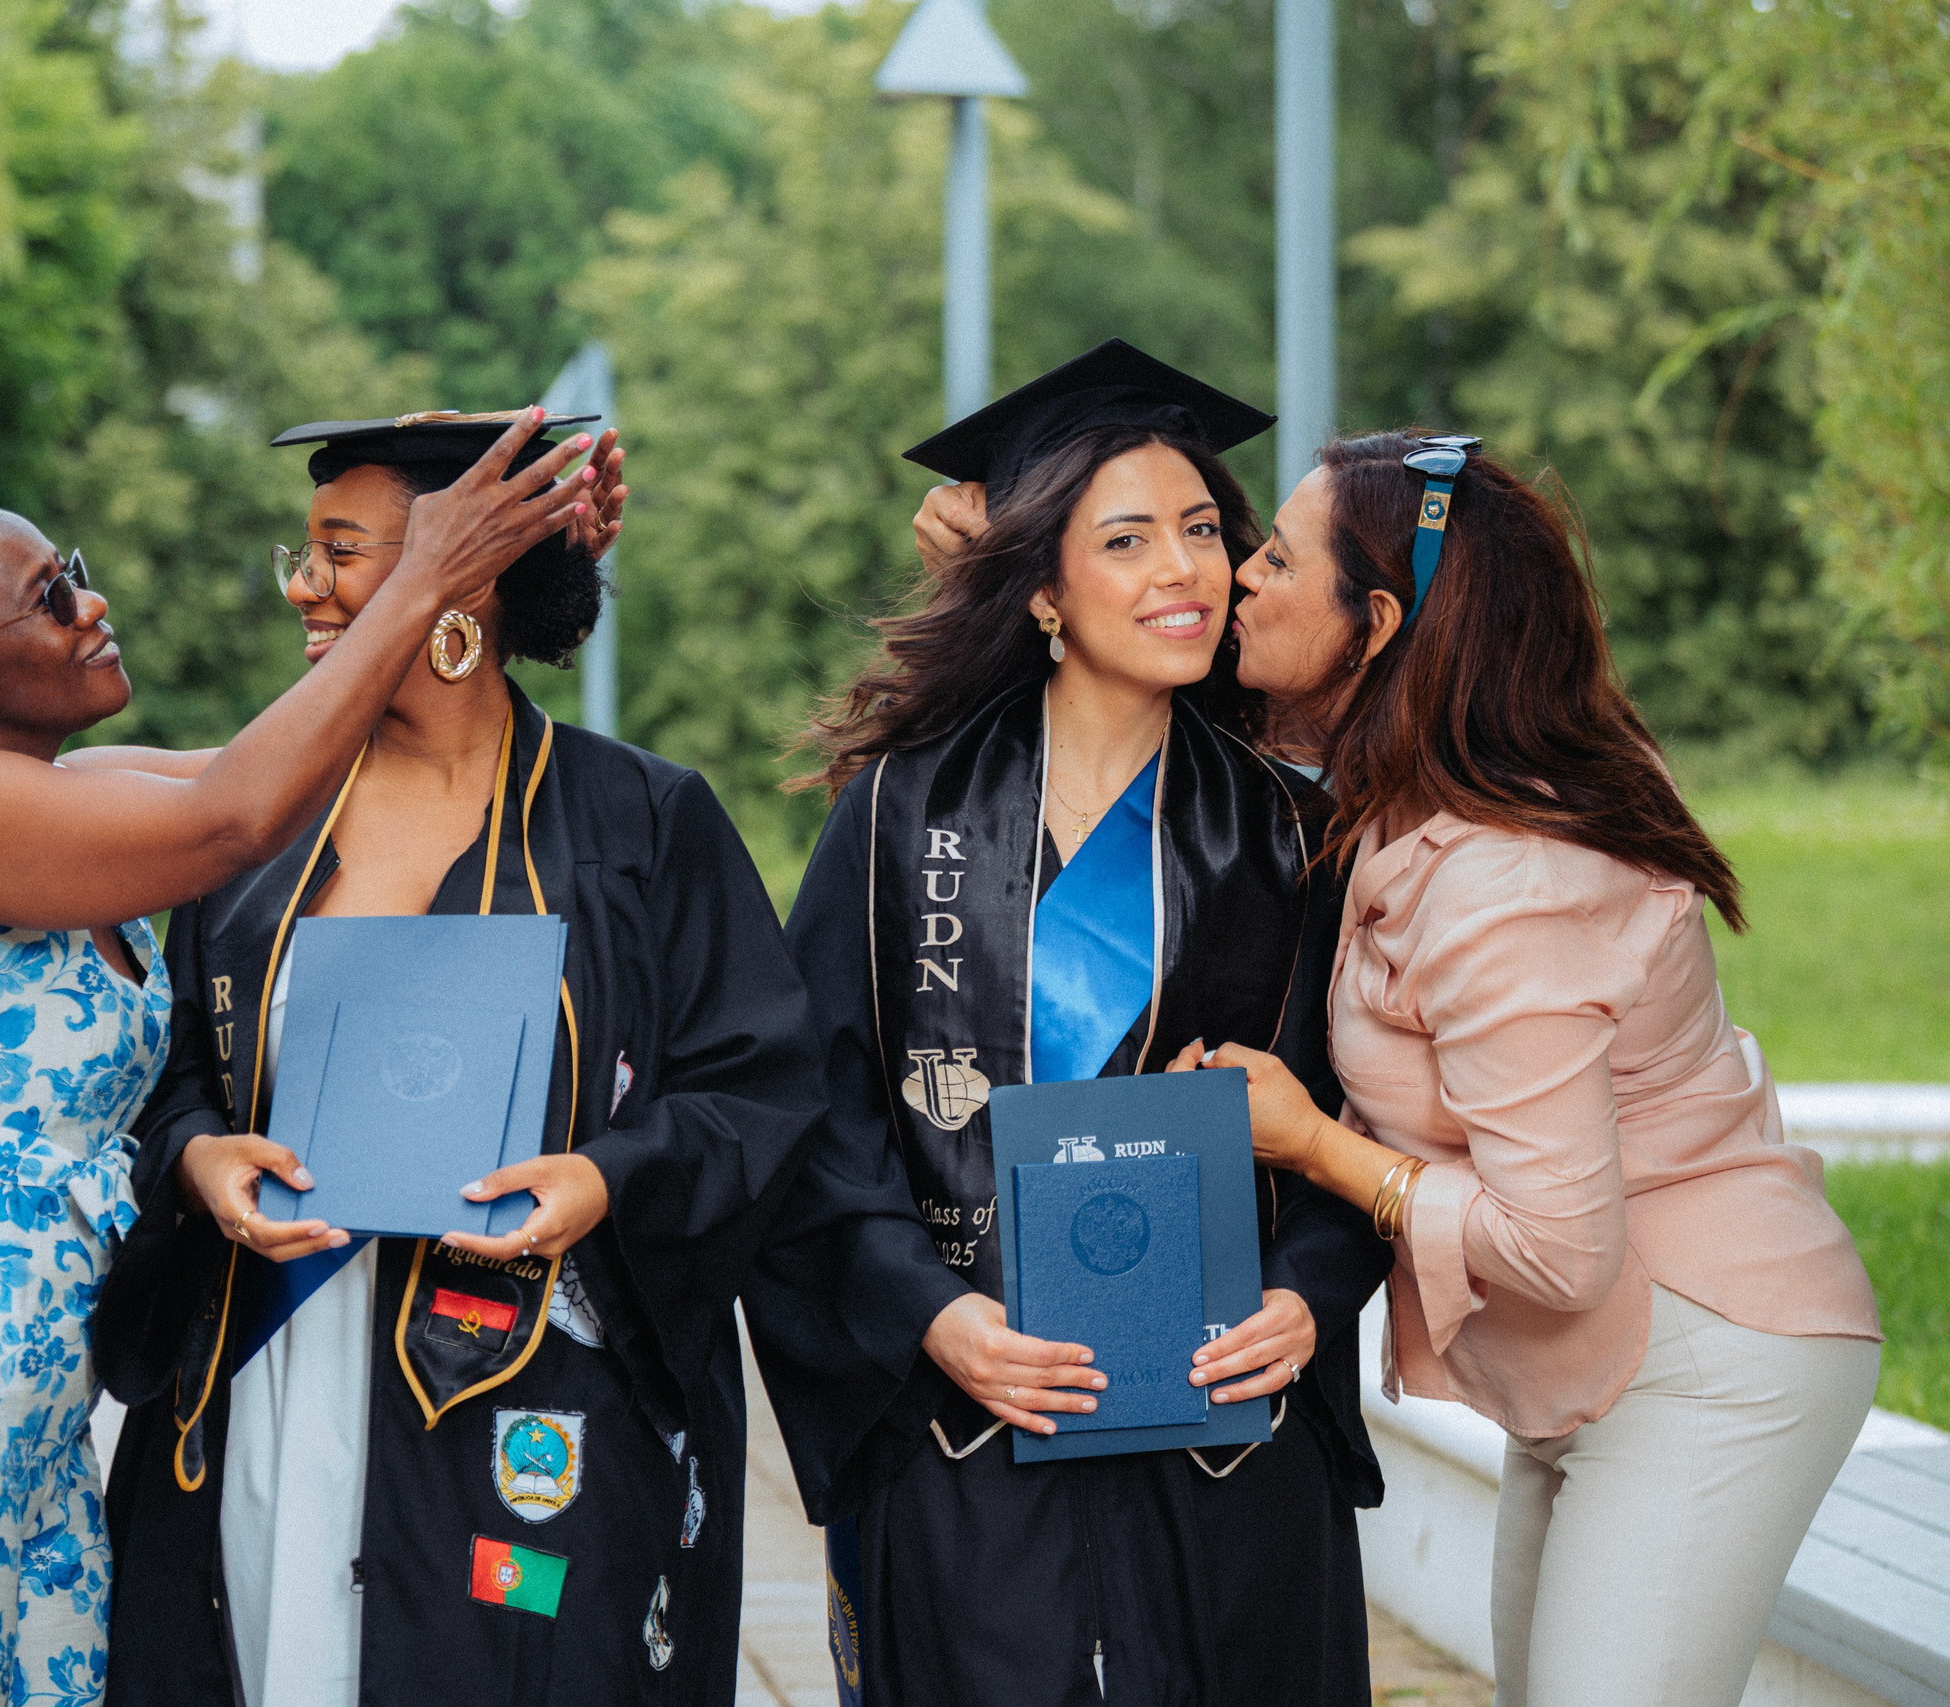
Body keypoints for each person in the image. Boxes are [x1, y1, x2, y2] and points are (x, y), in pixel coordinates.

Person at [0, 410, 604, 1707]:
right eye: (51, 595)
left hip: (34, 1429)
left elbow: (328, 768)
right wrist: (416, 574)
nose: (92, 600)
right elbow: (235, 814)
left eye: (70, 567)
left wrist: (516, 574)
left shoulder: (72, 795)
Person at [91, 409, 829, 1707]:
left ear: (464, 576)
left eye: (341, 550)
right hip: (274, 1372)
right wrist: (202, 1153)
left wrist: (606, 1177)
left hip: (529, 1391)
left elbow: (760, 1090)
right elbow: (171, 1079)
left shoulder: (637, 822)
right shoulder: (255, 823)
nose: (304, 585)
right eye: (301, 553)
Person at [1178, 431, 1882, 1707]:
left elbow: (1560, 1244)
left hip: (1707, 1358)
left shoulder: (1509, 881)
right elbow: (1151, 680)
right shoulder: (1418, 789)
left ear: (1375, 623)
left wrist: (1310, 1142)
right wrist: (1009, 566)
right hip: (1599, 1369)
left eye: (1275, 557)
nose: (1237, 578)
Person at [743, 341, 1390, 1707]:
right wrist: (929, 1317)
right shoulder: (898, 812)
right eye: (1129, 537)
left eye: (1208, 530)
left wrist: (1309, 1300)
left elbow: (1364, 1116)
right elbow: (816, 1119)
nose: (1185, 568)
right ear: (1045, 586)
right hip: (976, 1409)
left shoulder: (1293, 832)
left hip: (1221, 1415)